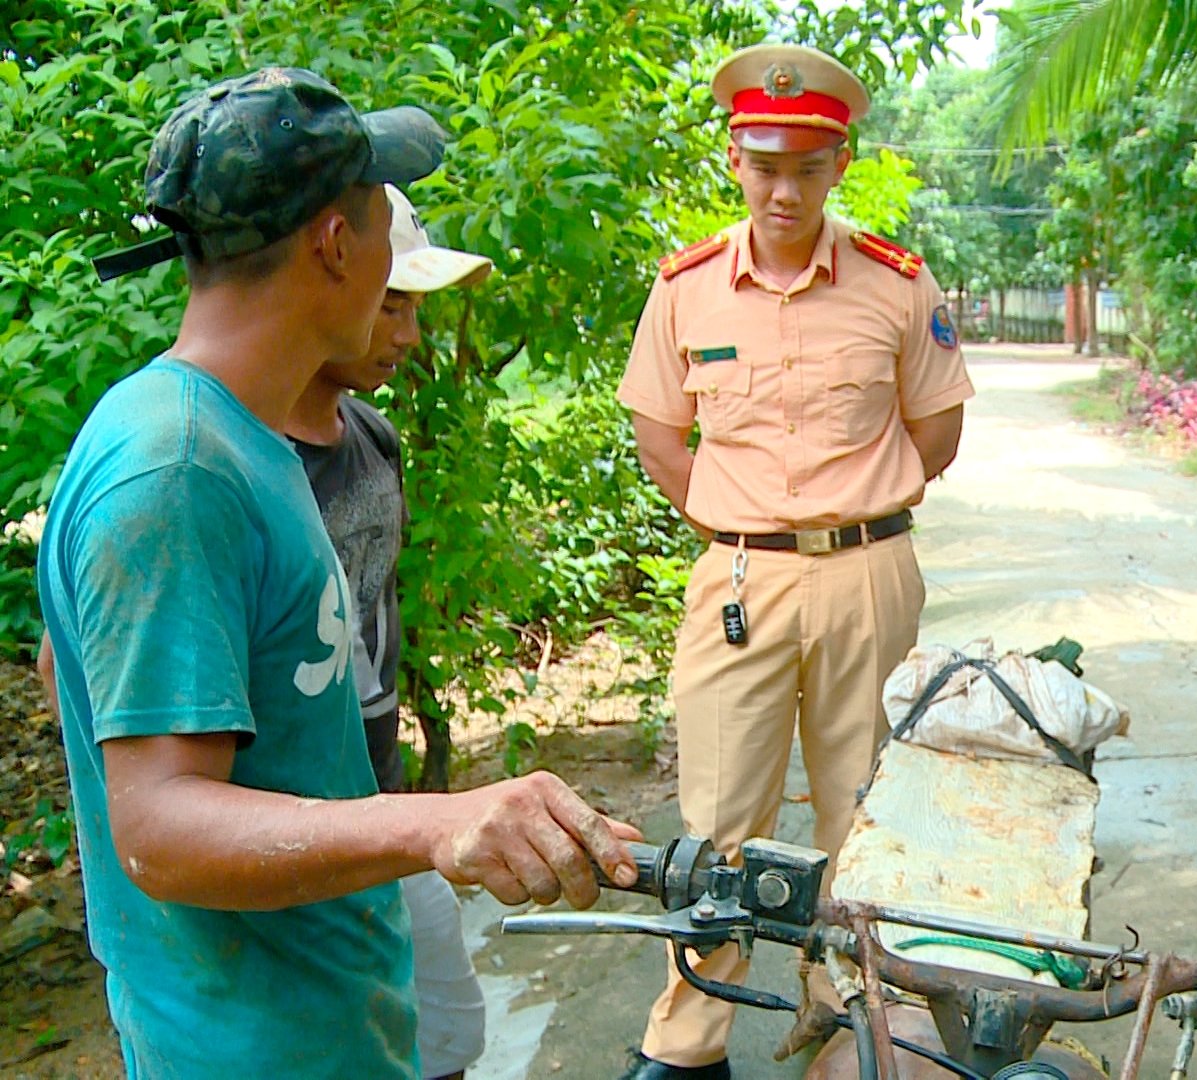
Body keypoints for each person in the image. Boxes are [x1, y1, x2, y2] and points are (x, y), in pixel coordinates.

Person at [40, 67, 639, 1077]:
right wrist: (440, 822)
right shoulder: (173, 468)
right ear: (333, 243)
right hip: (249, 1048)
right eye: (381, 220)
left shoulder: (245, 441)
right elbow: (158, 828)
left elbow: (87, 678)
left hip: (325, 1017)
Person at [614, 43, 973, 1080]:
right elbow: (661, 439)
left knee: (864, 807)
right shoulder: (686, 288)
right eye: (765, 164)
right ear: (736, 159)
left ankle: (855, 1021)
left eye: (806, 167)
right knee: (720, 822)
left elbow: (936, 433)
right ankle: (689, 1044)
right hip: (739, 580)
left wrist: (842, 518)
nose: (784, 189)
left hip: (869, 570)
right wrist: (748, 525)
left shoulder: (894, 283)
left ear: (839, 164)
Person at [283, 183, 497, 1080]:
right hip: (285, 836)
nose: (407, 335)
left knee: (442, 1039)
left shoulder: (371, 437)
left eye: (416, 309)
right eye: (393, 305)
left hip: (382, 803)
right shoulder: (229, 461)